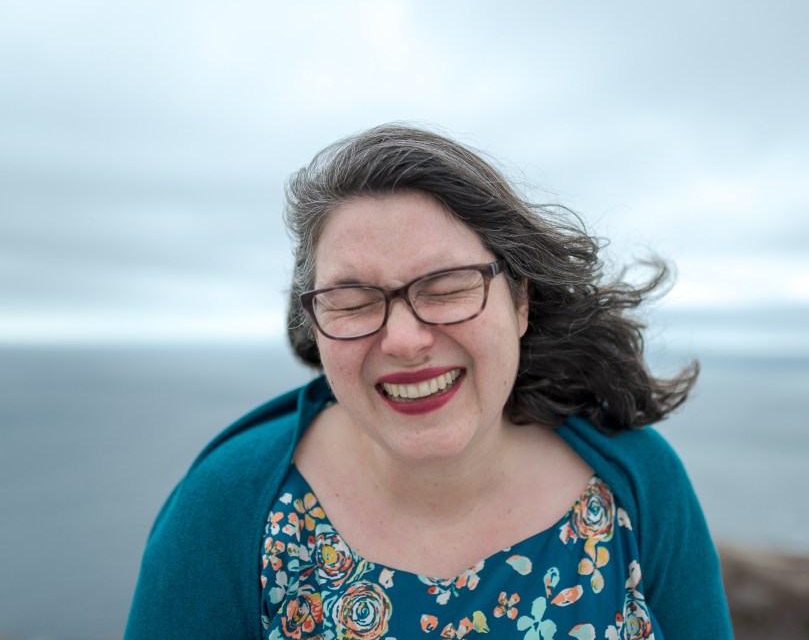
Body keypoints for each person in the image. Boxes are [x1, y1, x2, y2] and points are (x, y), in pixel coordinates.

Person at [125, 124, 732, 639]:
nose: (404, 340)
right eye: (353, 302)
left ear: (520, 301)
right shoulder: (225, 511)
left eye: (446, 289)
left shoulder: (638, 483)